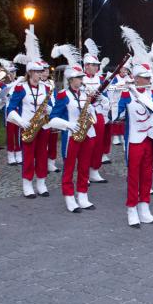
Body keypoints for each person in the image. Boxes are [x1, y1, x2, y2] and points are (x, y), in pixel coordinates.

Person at [47, 63, 98, 213]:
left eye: (82, 77)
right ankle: (69, 197)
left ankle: (83, 196)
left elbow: (92, 115)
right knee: (69, 168)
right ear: (71, 79)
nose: (82, 80)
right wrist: (68, 124)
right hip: (71, 135)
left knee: (84, 166)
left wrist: (92, 110)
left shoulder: (84, 94)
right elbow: (52, 118)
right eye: (79, 78)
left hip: (87, 134)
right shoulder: (63, 95)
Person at [118, 64, 153, 227]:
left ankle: (144, 208)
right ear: (136, 78)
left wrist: (136, 93)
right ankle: (131, 209)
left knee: (147, 174)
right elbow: (115, 115)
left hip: (149, 137)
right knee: (133, 175)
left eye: (149, 77)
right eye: (145, 77)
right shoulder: (125, 94)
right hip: (134, 139)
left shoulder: (152, 93)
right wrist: (113, 99)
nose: (149, 80)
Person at [7, 60, 53, 198]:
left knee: (42, 155)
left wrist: (48, 109)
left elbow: (52, 107)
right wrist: (21, 121)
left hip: (43, 126)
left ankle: (41, 183)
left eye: (41, 71)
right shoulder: (21, 88)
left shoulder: (46, 88)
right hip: (27, 126)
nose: (41, 74)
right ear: (30, 72)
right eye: (38, 72)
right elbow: (10, 108)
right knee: (28, 156)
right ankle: (27, 184)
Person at [82, 50, 110, 183]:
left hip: (98, 114)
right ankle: (84, 172)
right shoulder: (80, 78)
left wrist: (102, 99)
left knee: (98, 143)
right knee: (86, 145)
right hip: (85, 114)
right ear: (86, 65)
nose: (96, 67)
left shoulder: (101, 80)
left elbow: (107, 98)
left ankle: (94, 170)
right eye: (93, 65)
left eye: (97, 65)